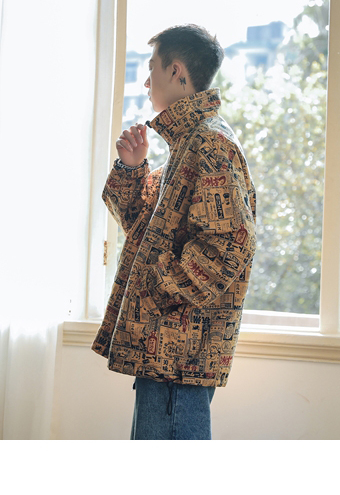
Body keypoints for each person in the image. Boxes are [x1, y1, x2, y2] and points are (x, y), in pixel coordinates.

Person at [92, 24, 257, 440]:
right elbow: (142, 228)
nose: (147, 82)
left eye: (152, 69)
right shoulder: (189, 143)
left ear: (176, 71)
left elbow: (228, 246)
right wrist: (132, 167)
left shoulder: (210, 144)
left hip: (177, 354)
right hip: (166, 353)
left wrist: (155, 284)